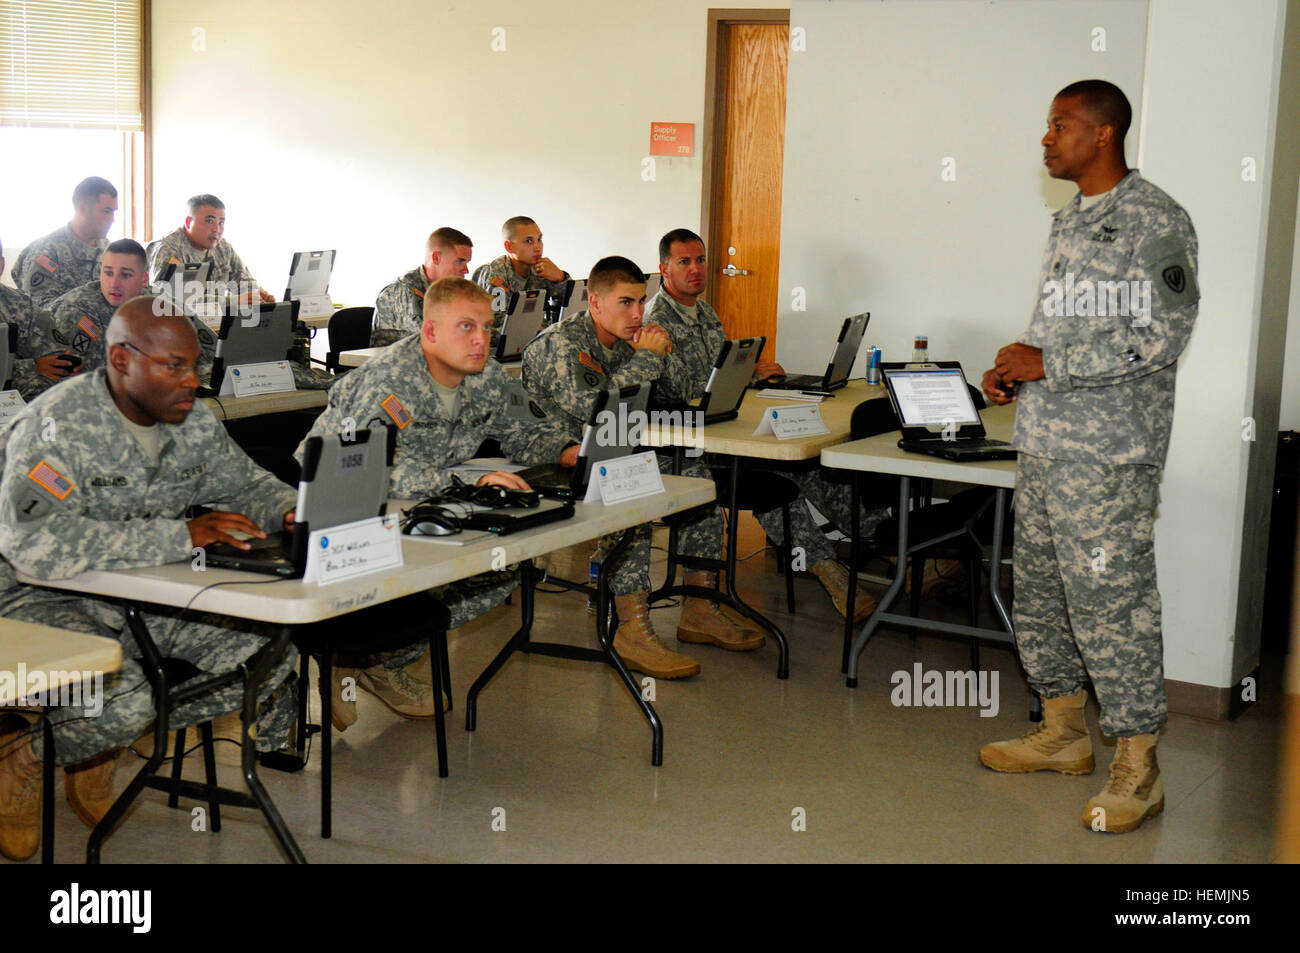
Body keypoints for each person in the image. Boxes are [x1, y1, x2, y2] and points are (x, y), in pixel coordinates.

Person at [0, 296, 300, 861]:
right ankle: (26, 755)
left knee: (269, 655)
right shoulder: (57, 425)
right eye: (174, 366)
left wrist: (287, 509)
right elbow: (33, 550)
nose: (192, 380)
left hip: (142, 589)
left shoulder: (191, 418)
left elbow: (247, 484)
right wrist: (181, 537)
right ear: (119, 359)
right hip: (31, 596)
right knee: (123, 700)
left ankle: (91, 745)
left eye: (194, 364)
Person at [977, 80, 1199, 835]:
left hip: (1109, 455)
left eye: (1060, 124)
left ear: (1103, 134)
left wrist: (1051, 363)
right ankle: (1063, 730)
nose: (1046, 138)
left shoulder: (1157, 219)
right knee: (1040, 593)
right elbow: (1064, 333)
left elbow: (1161, 337)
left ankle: (1139, 763)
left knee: (1114, 605)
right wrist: (1019, 367)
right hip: (1043, 444)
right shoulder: (1068, 221)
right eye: (1047, 124)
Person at [299, 277, 578, 728]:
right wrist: (467, 482)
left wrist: (569, 451)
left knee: (502, 569)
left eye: (488, 327)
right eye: (466, 327)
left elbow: (523, 431)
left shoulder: (486, 374)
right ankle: (345, 655)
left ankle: (377, 661)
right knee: (426, 580)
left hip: (428, 506)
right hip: (344, 511)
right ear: (429, 333)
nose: (481, 340)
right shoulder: (385, 380)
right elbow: (367, 468)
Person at [523, 256, 765, 679]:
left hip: (612, 450)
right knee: (631, 489)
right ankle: (631, 629)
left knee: (696, 473)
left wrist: (656, 356)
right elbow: (597, 409)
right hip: (555, 460)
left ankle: (699, 607)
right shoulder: (562, 344)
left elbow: (661, 399)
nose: (637, 314)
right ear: (594, 303)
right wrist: (648, 359)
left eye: (641, 301)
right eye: (625, 303)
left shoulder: (624, 339)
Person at [644, 228, 880, 622]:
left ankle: (878, 534)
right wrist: (740, 374)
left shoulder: (703, 311)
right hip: (687, 444)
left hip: (721, 426)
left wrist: (751, 371)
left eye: (700, 260)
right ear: (663, 268)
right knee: (779, 476)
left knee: (806, 461)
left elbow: (715, 372)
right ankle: (830, 572)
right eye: (684, 262)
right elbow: (680, 388)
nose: (696, 270)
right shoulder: (655, 320)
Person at [45, 239, 218, 385]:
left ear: (143, 279)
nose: (114, 284)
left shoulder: (160, 304)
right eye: (108, 273)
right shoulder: (74, 310)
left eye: (125, 275)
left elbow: (213, 353)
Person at [146, 194, 274, 305]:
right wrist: (233, 301)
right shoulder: (169, 248)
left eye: (221, 222)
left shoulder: (223, 248)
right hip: (176, 325)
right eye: (209, 221)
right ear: (189, 221)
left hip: (214, 323)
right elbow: (166, 300)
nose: (216, 229)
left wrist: (256, 294)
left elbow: (243, 278)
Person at [9, 177, 117, 308]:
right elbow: (37, 312)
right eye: (107, 211)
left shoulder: (109, 250)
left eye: (113, 212)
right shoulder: (46, 251)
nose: (112, 219)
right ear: (82, 209)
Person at [370, 227, 474, 347]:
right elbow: (435, 336)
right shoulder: (405, 290)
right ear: (436, 258)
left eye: (467, 263)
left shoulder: (447, 291)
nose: (466, 270)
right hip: (398, 363)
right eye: (460, 261)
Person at [475, 216, 570, 343]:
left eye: (539, 239)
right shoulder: (497, 274)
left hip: (535, 342)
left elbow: (572, 308)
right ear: (509, 247)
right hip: (497, 351)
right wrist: (541, 331)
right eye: (528, 241)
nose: (538, 247)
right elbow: (496, 326)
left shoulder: (541, 269)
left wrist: (560, 277)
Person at [0, 238, 74, 400]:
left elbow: (54, 359)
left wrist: (66, 364)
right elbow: (40, 366)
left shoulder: (21, 304)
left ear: (2, 265)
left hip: (15, 409)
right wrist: (31, 367)